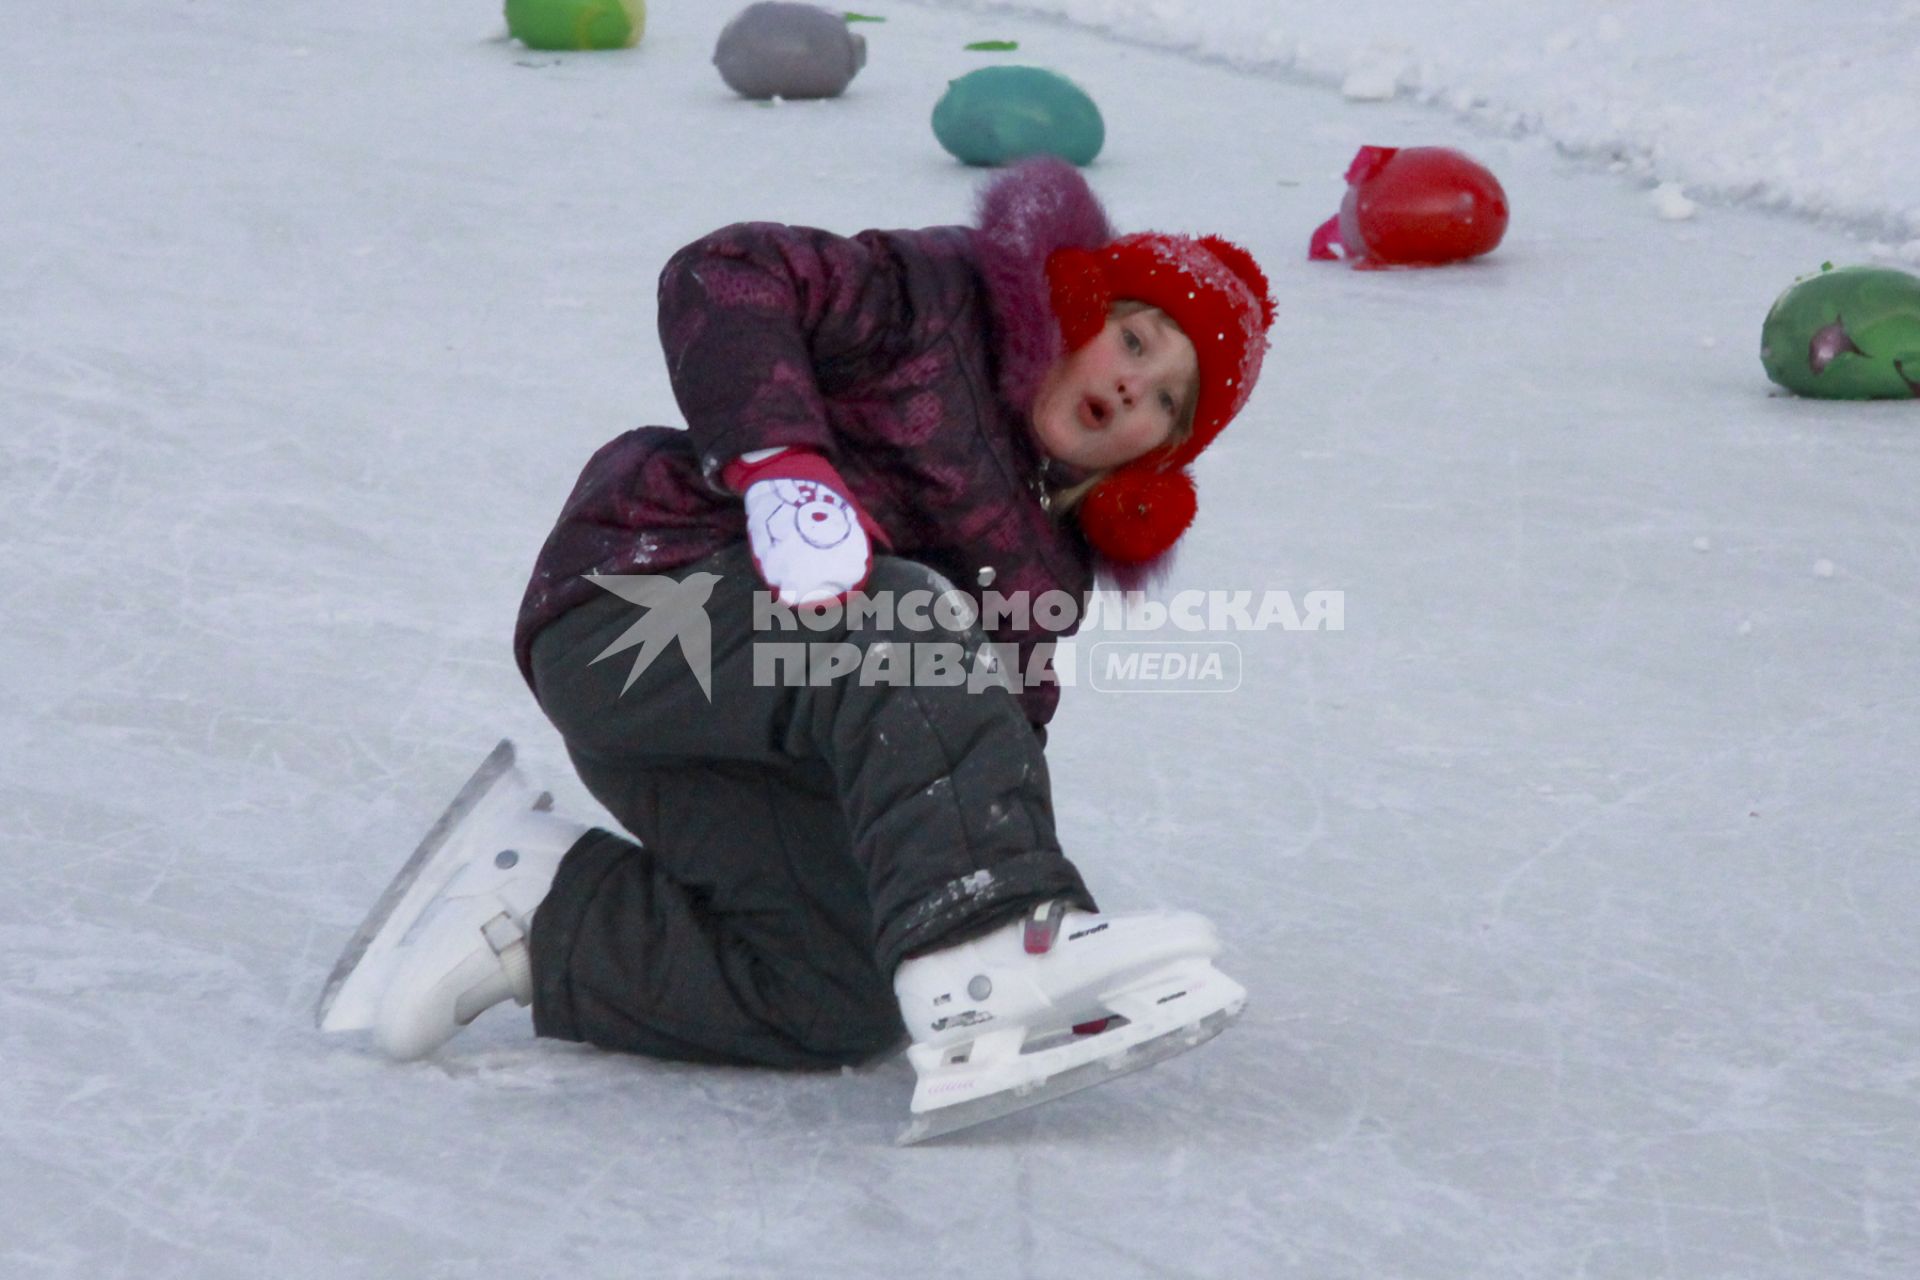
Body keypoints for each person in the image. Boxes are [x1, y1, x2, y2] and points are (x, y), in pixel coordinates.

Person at [324, 157, 1274, 1136]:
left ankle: (544, 904)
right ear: (1079, 302)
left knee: (842, 984)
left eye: (1169, 401)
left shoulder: (1052, 564)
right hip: (644, 609)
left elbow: (990, 734)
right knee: (911, 623)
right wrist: (782, 467)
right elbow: (726, 271)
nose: (1133, 387)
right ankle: (990, 942)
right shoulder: (943, 302)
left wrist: (1045, 921)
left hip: (740, 752)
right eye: (1136, 340)